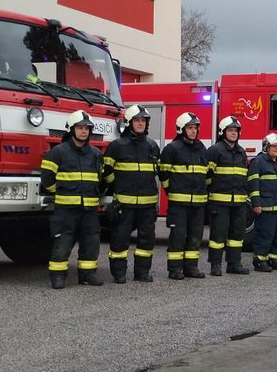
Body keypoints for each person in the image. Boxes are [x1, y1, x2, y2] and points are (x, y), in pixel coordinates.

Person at [42, 110, 105, 289]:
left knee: (91, 242)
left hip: (90, 210)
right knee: (62, 243)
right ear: (71, 129)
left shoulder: (95, 154)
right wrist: (62, 193)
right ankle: (58, 277)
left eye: (87, 128)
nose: (84, 131)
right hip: (65, 210)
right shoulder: (57, 152)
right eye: (80, 128)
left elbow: (99, 179)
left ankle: (87, 275)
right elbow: (47, 180)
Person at [103, 105, 160, 283]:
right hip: (124, 204)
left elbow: (156, 173)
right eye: (137, 120)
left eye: (143, 121)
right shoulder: (117, 146)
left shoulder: (152, 146)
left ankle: (142, 272)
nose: (141, 123)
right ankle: (119, 273)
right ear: (129, 123)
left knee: (146, 241)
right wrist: (117, 186)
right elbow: (106, 172)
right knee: (120, 240)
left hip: (147, 205)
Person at [158, 112, 208, 279]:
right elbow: (163, 174)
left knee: (195, 236)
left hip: (198, 203)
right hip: (179, 204)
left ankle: (191, 268)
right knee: (178, 237)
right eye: (190, 128)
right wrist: (171, 192)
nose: (193, 131)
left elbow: (206, 174)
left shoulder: (201, 148)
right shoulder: (172, 149)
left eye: (195, 128)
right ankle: (174, 269)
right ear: (181, 129)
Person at [206, 116, 251, 276]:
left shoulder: (241, 152)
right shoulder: (215, 150)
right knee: (218, 235)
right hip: (219, 202)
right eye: (230, 130)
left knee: (237, 235)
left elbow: (243, 176)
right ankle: (215, 265)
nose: (233, 133)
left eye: (236, 131)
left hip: (238, 203)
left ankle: (234, 263)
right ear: (223, 132)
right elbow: (207, 176)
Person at [248, 133, 277, 272]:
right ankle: (259, 260)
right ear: (266, 147)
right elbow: (253, 185)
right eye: (274, 146)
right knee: (265, 234)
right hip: (265, 206)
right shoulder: (258, 162)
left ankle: (274, 258)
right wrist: (256, 203)